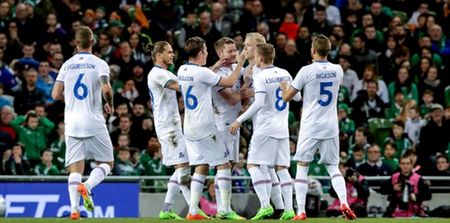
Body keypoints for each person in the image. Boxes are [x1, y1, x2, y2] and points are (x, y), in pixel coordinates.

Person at [280, 34, 356, 220]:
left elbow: (287, 98)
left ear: (313, 50)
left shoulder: (306, 71)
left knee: (302, 166)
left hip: (311, 125)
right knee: (333, 167)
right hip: (331, 125)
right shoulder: (338, 70)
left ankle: (301, 211)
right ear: (328, 50)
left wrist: (284, 87)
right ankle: (344, 202)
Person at [177, 36, 246, 220]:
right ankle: (225, 210)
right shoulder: (203, 73)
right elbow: (230, 82)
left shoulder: (182, 69)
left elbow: (205, 74)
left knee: (201, 166)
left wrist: (216, 65)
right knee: (223, 164)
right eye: (205, 50)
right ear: (200, 52)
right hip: (205, 127)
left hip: (189, 128)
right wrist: (242, 60)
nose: (207, 52)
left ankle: (192, 211)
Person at [230, 43, 300, 220]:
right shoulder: (285, 73)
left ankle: (265, 205)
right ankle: (290, 210)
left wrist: (239, 120)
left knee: (252, 165)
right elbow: (298, 97)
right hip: (282, 129)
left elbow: (259, 103)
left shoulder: (261, 76)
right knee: (282, 168)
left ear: (260, 58)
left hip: (265, 128)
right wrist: (285, 89)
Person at [51, 26, 114, 220]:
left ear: (76, 43)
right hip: (93, 121)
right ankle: (87, 186)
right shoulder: (100, 64)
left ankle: (74, 210)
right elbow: (106, 88)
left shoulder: (67, 65)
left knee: (75, 168)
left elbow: (54, 95)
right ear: (93, 42)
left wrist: (69, 99)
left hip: (72, 123)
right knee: (107, 163)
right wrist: (109, 104)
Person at [147, 41, 192, 220]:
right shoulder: (157, 73)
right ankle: (194, 209)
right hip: (168, 128)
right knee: (183, 167)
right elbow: (179, 86)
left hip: (172, 126)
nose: (173, 55)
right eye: (170, 52)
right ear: (159, 55)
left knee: (180, 167)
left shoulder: (165, 72)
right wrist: (199, 78)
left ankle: (166, 209)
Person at [210, 37, 243, 217]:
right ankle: (224, 208)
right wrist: (246, 92)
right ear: (220, 54)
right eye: (229, 51)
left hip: (233, 123)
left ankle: (223, 208)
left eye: (235, 50)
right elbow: (232, 99)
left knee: (229, 165)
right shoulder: (216, 75)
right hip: (222, 123)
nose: (233, 54)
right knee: (223, 165)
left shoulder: (235, 69)